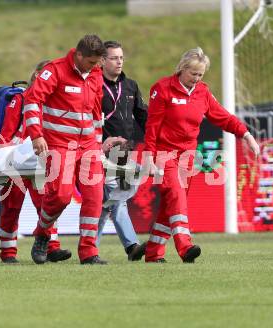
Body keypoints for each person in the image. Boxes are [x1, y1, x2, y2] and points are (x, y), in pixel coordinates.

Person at [143, 47, 260, 263]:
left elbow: (223, 117)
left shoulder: (203, 92)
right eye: (193, 74)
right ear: (182, 69)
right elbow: (152, 126)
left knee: (171, 206)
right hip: (164, 155)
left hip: (187, 158)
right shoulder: (162, 88)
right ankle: (185, 246)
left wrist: (246, 135)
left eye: (200, 75)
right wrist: (149, 157)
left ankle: (153, 252)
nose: (196, 79)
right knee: (176, 197)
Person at [23, 34, 107, 265]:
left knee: (95, 197)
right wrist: (36, 134)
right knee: (60, 196)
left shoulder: (96, 74)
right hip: (60, 144)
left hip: (89, 145)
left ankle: (89, 252)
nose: (96, 66)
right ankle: (42, 232)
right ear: (79, 55)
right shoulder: (55, 70)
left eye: (98, 62)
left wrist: (98, 143)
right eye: (91, 62)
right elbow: (32, 100)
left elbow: (96, 111)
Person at [0, 60, 72, 264]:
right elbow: (6, 132)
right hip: (16, 160)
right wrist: (5, 157)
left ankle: (51, 247)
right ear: (37, 75)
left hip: (40, 160)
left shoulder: (55, 103)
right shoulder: (21, 99)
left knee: (46, 204)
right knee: (12, 206)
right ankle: (8, 252)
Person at [97, 40, 148, 261]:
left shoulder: (131, 86)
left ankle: (89, 247)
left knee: (107, 203)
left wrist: (155, 140)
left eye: (121, 57)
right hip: (100, 153)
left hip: (125, 154)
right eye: (114, 58)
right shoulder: (93, 85)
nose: (119, 62)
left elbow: (143, 116)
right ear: (102, 61)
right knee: (115, 200)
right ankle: (131, 246)